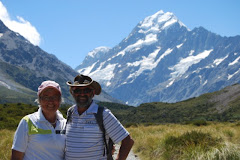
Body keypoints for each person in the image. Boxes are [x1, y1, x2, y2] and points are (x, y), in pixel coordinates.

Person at [65, 74, 134, 160]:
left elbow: (128, 141)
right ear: (72, 93)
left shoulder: (103, 114)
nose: (82, 94)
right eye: (77, 90)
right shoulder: (70, 112)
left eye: (86, 90)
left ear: (93, 93)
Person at [11, 80, 66, 160]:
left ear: (60, 100)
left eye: (55, 97)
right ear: (39, 100)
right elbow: (16, 156)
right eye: (46, 97)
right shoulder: (27, 122)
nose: (50, 101)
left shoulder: (66, 124)